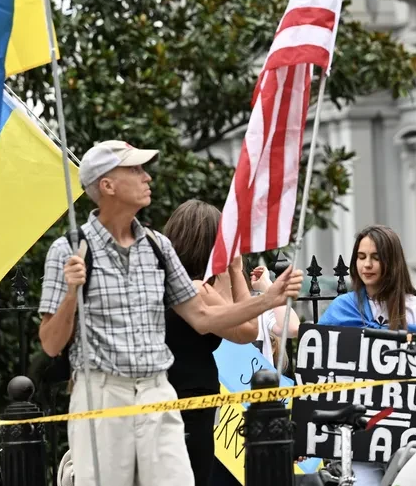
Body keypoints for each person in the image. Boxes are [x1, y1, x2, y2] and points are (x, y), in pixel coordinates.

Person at [38, 140, 304, 486]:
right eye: (135, 170)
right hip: (103, 392)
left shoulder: (158, 247)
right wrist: (72, 294)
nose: (147, 176)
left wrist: (268, 300)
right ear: (107, 185)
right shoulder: (69, 250)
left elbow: (204, 318)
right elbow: (50, 343)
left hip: (159, 390)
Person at [316, 225, 416, 486]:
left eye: (376, 257)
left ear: (391, 261)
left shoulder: (415, 309)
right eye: (361, 257)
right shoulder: (341, 307)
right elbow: (315, 358)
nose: (366, 265)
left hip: (406, 434)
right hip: (358, 437)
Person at [161, 199, 261, 486]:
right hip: (192, 402)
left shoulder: (164, 282)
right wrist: (236, 268)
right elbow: (247, 329)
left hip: (161, 394)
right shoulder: (196, 290)